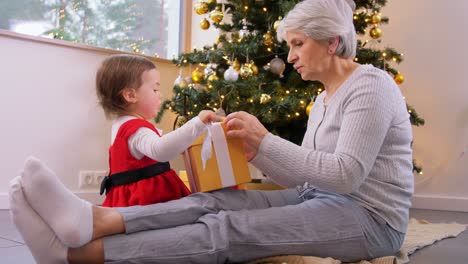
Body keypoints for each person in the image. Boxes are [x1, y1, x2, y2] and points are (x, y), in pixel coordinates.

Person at [9, 0, 414, 263]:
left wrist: (265, 141)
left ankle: (80, 256)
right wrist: (255, 152)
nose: (289, 57)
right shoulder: (325, 97)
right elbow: (307, 177)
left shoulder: (370, 86)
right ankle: (92, 220)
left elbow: (345, 175)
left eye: (297, 44)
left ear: (332, 42)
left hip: (370, 219)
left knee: (231, 229)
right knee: (212, 202)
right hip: (319, 197)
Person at [94, 54, 218, 207]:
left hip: (132, 198)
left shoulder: (120, 125)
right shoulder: (135, 129)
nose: (160, 95)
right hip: (148, 201)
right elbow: (160, 150)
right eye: (155, 89)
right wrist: (198, 123)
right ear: (130, 95)